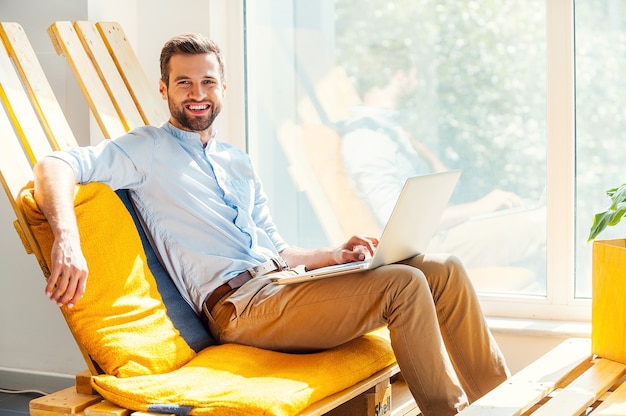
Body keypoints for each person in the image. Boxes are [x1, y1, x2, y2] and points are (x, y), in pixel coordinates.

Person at [33, 33, 509, 415]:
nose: (197, 95)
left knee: (441, 267)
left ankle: (505, 401)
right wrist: (67, 240)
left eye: (208, 82)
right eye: (184, 83)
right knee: (403, 284)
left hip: (280, 286)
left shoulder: (237, 162)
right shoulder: (145, 151)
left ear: (223, 87)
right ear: (164, 90)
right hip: (238, 311)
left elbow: (276, 249)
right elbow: (55, 164)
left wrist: (334, 255)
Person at [340, 44, 546, 273]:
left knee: (539, 215)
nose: (416, 83)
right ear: (400, 76)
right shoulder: (369, 139)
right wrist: (478, 207)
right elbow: (400, 225)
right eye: (414, 75)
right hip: (422, 251)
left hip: (434, 235)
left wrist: (420, 149)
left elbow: (443, 188)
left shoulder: (390, 130)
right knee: (543, 223)